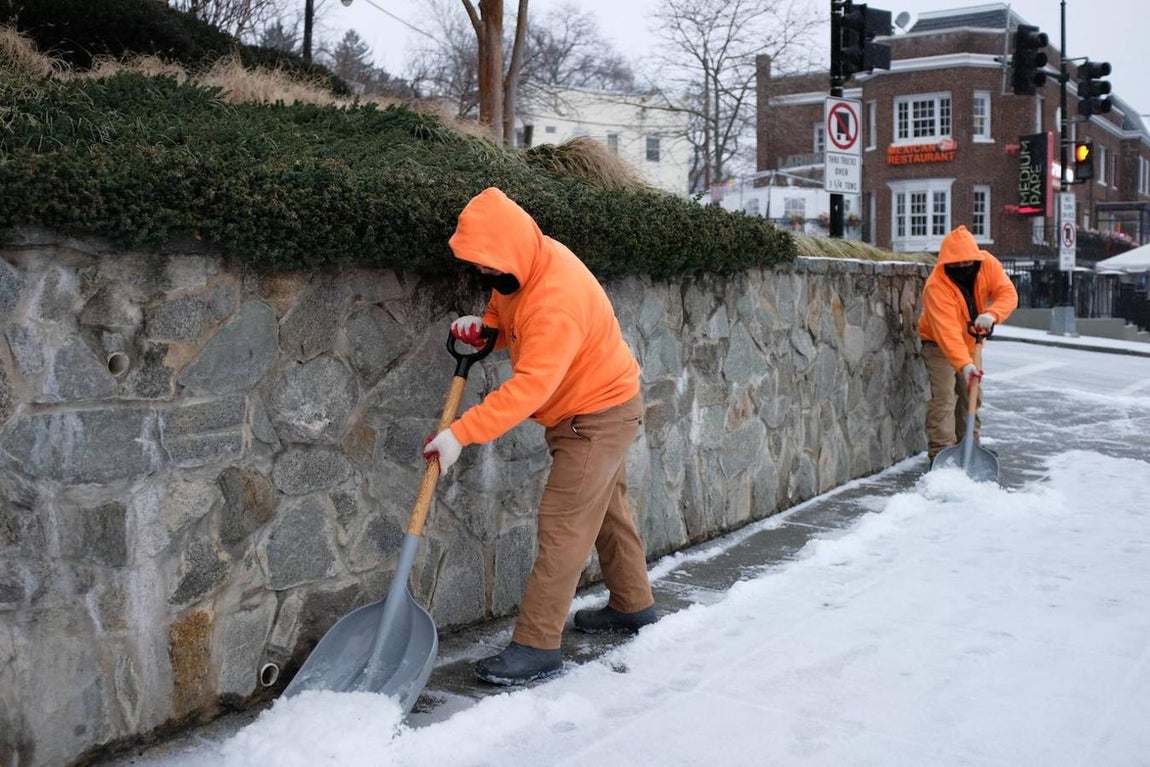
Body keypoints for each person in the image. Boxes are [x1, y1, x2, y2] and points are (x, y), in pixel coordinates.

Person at [423, 186, 656, 685]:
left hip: (596, 416)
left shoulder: (556, 301)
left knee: (563, 526)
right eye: (481, 268)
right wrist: (486, 329)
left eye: (489, 267)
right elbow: (508, 305)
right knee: (608, 511)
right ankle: (633, 607)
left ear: (510, 251)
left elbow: (530, 386)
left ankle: (537, 646)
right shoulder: (530, 258)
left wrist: (460, 435)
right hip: (597, 406)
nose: (486, 276)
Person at [918, 224, 1018, 464]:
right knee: (944, 398)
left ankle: (970, 449)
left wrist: (993, 314)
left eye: (967, 263)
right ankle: (941, 454)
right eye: (957, 264)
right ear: (946, 263)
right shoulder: (936, 286)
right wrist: (964, 365)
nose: (963, 268)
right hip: (938, 344)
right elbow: (947, 332)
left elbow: (1008, 293)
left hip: (971, 342)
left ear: (975, 258)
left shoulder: (987, 264)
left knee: (971, 395)